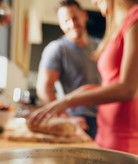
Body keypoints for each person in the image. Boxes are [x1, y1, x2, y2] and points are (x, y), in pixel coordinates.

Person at [28, 0, 138, 159]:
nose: (93, 1)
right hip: (105, 131)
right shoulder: (116, 26)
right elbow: (108, 84)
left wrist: (68, 100)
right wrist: (62, 104)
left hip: (126, 136)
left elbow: (128, 89)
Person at [36, 0, 101, 139]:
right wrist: (65, 118)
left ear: (84, 16)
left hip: (104, 118)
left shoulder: (100, 46)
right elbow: (43, 88)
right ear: (60, 24)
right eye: (66, 21)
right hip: (77, 119)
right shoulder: (57, 49)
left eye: (75, 18)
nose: (72, 24)